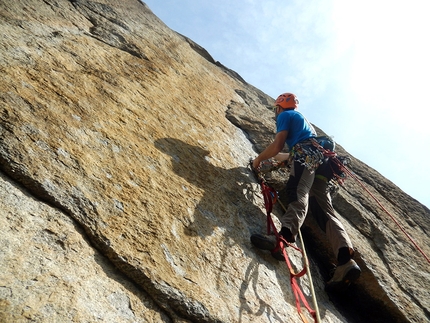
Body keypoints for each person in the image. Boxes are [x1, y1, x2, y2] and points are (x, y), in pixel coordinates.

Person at [251, 92, 361, 291]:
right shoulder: (305, 124)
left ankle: (282, 238)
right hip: (322, 163)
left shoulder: (285, 115)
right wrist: (275, 159)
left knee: (297, 191)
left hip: (308, 156)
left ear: (279, 107)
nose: (276, 114)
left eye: (276, 110)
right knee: (323, 210)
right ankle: (345, 261)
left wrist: (258, 160)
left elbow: (277, 146)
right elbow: (288, 154)